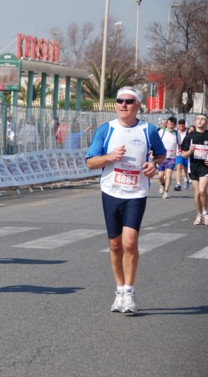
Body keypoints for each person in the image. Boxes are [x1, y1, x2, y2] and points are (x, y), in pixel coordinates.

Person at [85, 86, 166, 314]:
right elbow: (90, 161)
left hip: (136, 193)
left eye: (128, 101)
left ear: (138, 105)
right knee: (114, 244)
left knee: (130, 243)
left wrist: (154, 165)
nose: (123, 105)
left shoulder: (148, 130)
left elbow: (161, 155)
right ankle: (119, 290)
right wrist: (109, 157)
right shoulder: (106, 129)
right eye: (120, 100)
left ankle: (129, 292)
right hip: (111, 191)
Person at [181, 113, 208, 226]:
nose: (200, 121)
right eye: (198, 119)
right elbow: (184, 155)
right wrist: (190, 151)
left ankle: (206, 213)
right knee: (197, 193)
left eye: (203, 119)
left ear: (206, 123)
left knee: (202, 190)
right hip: (193, 167)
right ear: (195, 121)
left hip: (205, 167)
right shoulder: (189, 137)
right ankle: (199, 214)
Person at [157, 116, 180, 199]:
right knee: (160, 176)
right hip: (162, 157)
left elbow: (179, 145)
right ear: (167, 124)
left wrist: (180, 151)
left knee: (169, 175)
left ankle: (166, 192)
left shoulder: (177, 134)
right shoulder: (161, 132)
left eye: (172, 125)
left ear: (175, 125)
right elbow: (156, 143)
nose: (170, 126)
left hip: (171, 158)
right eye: (169, 124)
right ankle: (162, 184)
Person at [174, 119, 190, 191]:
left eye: (183, 124)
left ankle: (186, 178)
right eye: (180, 124)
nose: (181, 125)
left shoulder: (188, 131)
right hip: (178, 153)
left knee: (186, 168)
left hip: (186, 153)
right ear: (178, 125)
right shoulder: (176, 132)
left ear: (185, 124)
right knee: (179, 167)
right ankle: (178, 184)